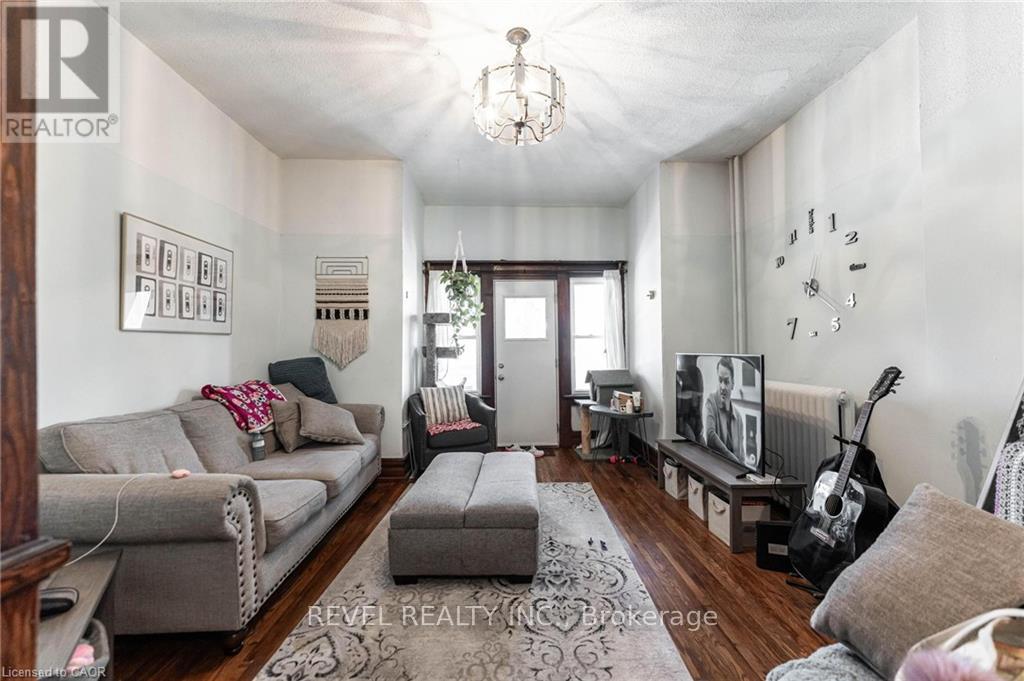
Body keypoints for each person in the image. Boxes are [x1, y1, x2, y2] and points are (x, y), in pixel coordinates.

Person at [704, 357, 743, 465]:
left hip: (735, 471)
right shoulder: (711, 401)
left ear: (733, 384)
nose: (722, 386)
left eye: (726, 381)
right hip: (716, 466)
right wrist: (734, 461)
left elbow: (742, 456)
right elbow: (710, 435)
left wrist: (743, 469)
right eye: (720, 380)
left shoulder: (738, 418)